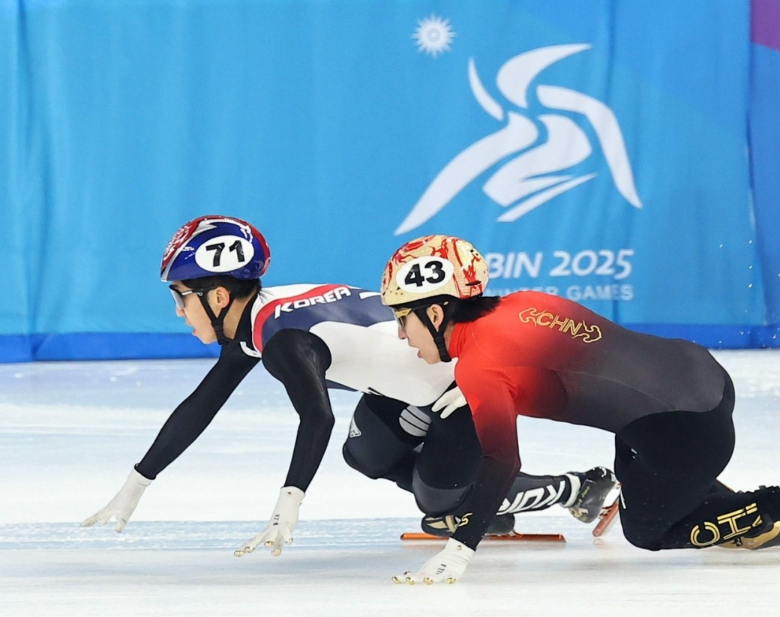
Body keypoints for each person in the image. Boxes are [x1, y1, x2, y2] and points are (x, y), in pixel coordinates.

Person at [81, 216, 615, 555]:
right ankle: (482, 499)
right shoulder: (260, 321)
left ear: (218, 297)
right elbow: (202, 404)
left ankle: (579, 487)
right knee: (364, 456)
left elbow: (317, 416)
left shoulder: (283, 339)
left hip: (463, 385)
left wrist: (286, 505)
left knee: (438, 508)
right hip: (408, 388)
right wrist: (135, 486)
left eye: (180, 299)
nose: (178, 312)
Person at [380, 234, 780, 584]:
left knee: (645, 531)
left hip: (686, 431)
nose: (402, 336)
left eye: (403, 320)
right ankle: (741, 519)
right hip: (703, 375)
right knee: (636, 461)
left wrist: (460, 549)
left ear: (436, 314)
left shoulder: (479, 367)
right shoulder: (525, 303)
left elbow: (502, 462)